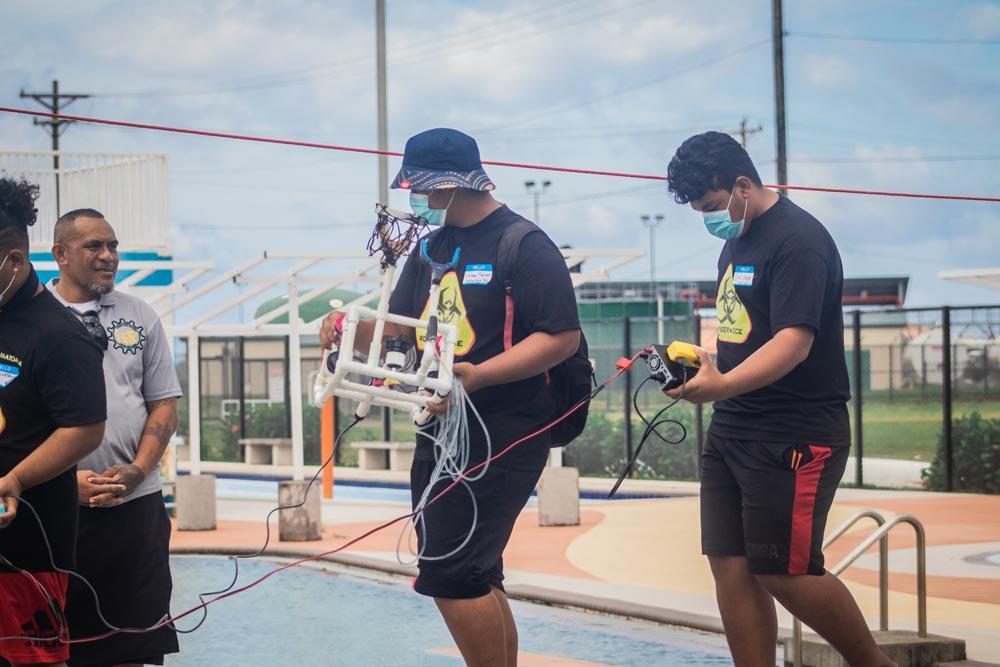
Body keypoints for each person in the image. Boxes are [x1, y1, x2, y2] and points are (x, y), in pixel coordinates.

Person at [320, 128, 581, 667]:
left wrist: (477, 376)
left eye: (419, 187)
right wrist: (348, 328)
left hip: (504, 430)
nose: (414, 198)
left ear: (449, 184)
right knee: (476, 570)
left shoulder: (523, 245)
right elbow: (401, 328)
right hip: (438, 428)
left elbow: (561, 337)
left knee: (452, 572)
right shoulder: (431, 247)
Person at [664, 132, 895, 667]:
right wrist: (706, 367)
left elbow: (794, 341)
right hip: (734, 425)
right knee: (729, 564)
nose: (708, 218)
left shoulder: (798, 241)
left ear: (742, 185)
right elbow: (747, 332)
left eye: (712, 205)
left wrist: (722, 385)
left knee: (784, 572)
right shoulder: (736, 240)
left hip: (793, 431)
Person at [47, 209, 181, 667]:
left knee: (132, 646)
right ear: (61, 254)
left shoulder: (140, 316)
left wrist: (138, 470)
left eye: (113, 246)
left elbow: (164, 405)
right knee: (53, 647)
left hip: (135, 510)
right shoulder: (34, 320)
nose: (108, 256)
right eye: (94, 246)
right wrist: (64, 483)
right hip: (55, 513)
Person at [0, 179, 107, 667]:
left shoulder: (60, 336)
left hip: (26, 554)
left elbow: (85, 428)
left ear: (14, 261)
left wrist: (16, 479)